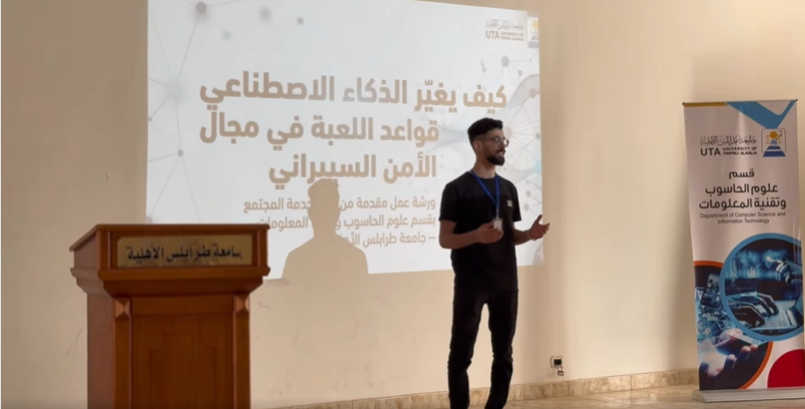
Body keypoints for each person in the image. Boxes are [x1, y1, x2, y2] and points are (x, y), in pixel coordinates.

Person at [438, 118, 550, 409]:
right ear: (478, 145)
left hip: (505, 284)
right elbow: (445, 239)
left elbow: (508, 235)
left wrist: (530, 234)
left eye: (504, 140)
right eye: (496, 140)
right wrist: (475, 235)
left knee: (504, 354)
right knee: (461, 354)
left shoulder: (508, 188)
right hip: (471, 285)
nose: (503, 146)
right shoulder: (457, 189)